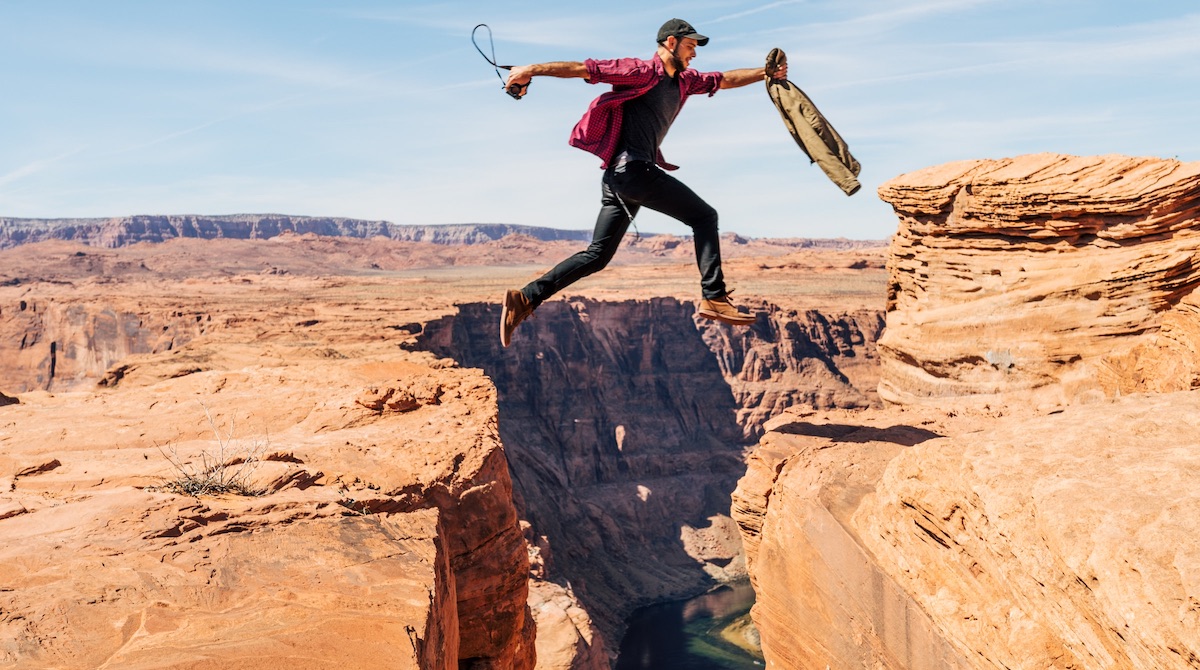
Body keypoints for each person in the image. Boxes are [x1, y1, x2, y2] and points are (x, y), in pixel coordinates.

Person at [499, 18, 787, 347]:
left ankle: (525, 298)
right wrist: (530, 70)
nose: (694, 54)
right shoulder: (640, 71)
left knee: (597, 256)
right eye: (690, 45)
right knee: (704, 217)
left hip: (619, 179)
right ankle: (714, 296)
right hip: (632, 172)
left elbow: (724, 79)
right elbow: (584, 69)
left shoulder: (685, 81)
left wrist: (765, 73)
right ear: (670, 43)